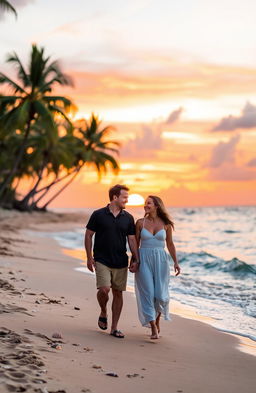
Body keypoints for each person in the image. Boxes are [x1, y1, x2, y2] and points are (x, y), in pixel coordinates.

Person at [85, 184, 139, 338]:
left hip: (121, 261)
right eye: (124, 197)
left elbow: (132, 240)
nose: (126, 201)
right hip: (101, 259)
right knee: (104, 289)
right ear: (115, 197)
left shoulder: (128, 218)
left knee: (118, 293)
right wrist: (89, 258)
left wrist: (136, 258)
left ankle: (114, 328)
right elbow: (88, 235)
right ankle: (103, 310)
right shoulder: (98, 214)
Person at [135, 195, 181, 339]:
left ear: (157, 206)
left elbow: (170, 244)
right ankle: (153, 327)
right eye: (145, 203)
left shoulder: (166, 224)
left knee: (160, 294)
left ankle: (158, 319)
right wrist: (134, 261)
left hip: (161, 261)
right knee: (147, 292)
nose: (146, 205)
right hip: (144, 259)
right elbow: (135, 244)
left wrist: (176, 262)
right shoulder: (140, 223)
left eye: (149, 203)